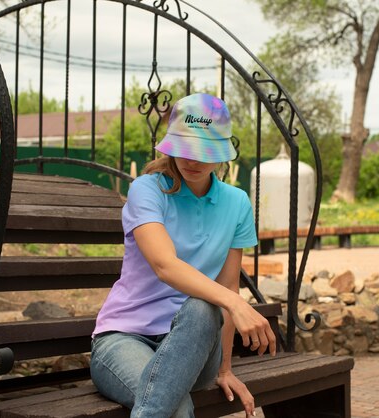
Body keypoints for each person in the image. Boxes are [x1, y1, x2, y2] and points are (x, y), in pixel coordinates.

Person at [90, 93, 276, 418]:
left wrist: (225, 369)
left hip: (197, 348)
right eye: (183, 148)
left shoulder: (237, 203)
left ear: (221, 153)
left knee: (205, 306)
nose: (190, 160)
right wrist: (235, 303)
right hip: (124, 339)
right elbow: (165, 266)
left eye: (202, 151)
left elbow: (228, 287)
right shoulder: (147, 190)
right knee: (177, 408)